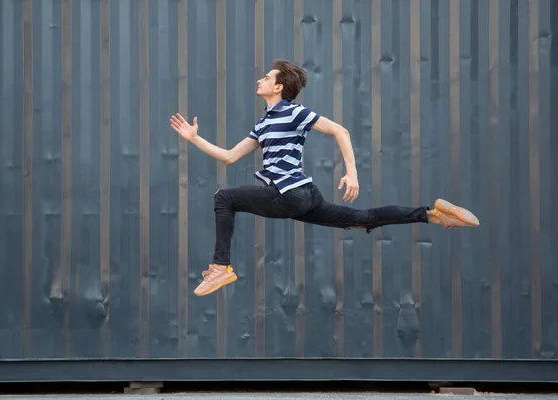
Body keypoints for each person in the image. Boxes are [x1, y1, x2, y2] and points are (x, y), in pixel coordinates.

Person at [170, 59, 479, 297]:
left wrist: (352, 172)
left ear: (278, 87)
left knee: (224, 198)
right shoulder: (264, 124)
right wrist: (195, 139)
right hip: (304, 195)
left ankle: (220, 267)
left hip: (288, 194)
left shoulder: (293, 112)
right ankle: (434, 215)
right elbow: (229, 156)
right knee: (362, 219)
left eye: (266, 77)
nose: (259, 79)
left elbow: (339, 130)